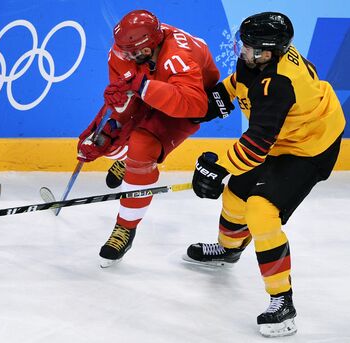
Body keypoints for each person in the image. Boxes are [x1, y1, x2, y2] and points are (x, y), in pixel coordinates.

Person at [183, 12, 345, 337]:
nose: (240, 50)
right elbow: (238, 88)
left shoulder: (279, 85)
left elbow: (256, 145)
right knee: (234, 195)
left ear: (266, 52)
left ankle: (282, 301)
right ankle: (229, 249)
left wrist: (219, 168)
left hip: (309, 148)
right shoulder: (259, 61)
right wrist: (202, 106)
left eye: (246, 46)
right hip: (282, 137)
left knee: (260, 210)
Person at [76, 9, 220, 267]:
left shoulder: (177, 57)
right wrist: (103, 131)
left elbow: (195, 103)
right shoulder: (126, 49)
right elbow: (122, 99)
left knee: (142, 146)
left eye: (132, 54)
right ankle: (129, 162)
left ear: (149, 47)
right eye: (123, 51)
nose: (124, 57)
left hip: (191, 98)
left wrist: (143, 87)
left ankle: (125, 227)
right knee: (117, 140)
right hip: (153, 85)